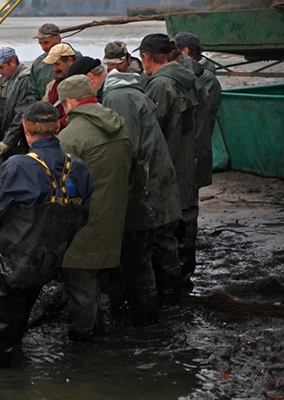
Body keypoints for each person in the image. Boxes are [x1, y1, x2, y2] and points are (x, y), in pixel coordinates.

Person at [0, 101, 93, 367]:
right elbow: (81, 217)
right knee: (21, 316)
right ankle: (18, 366)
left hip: (8, 265)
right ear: (58, 126)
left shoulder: (18, 166)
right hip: (46, 262)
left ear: (26, 129)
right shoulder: (78, 167)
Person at [102, 68, 183, 321]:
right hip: (158, 185)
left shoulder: (118, 98)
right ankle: (171, 300)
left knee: (139, 257)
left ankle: (147, 316)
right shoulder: (134, 93)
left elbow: (130, 146)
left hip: (144, 188)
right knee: (161, 245)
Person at [55, 75, 131, 341]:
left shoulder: (70, 137)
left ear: (71, 102)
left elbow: (57, 187)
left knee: (81, 289)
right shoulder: (118, 124)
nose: (62, 109)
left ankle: (83, 352)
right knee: (99, 286)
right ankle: (107, 334)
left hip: (84, 227)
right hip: (114, 221)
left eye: (63, 105)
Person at [139, 33, 200, 296]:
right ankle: (182, 284)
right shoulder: (187, 77)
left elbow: (151, 132)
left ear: (146, 57)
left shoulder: (159, 85)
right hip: (186, 159)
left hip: (168, 166)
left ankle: (170, 291)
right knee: (183, 228)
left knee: (164, 235)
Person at [175, 32, 222, 189]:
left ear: (186, 52)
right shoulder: (199, 74)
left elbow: (199, 116)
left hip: (194, 146)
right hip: (191, 145)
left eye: (175, 51)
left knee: (188, 191)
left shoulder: (205, 78)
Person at [0, 47, 33, 159]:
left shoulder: (25, 80)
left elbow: (21, 115)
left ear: (13, 62)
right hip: (5, 137)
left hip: (20, 141)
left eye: (2, 67)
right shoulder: (3, 80)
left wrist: (8, 141)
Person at [26, 23, 61, 104]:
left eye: (46, 42)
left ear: (58, 39)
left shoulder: (74, 57)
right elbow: (32, 93)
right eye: (40, 43)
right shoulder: (38, 64)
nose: (43, 47)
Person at [41, 42, 78, 119]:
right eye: (53, 65)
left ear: (70, 60)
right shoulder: (52, 85)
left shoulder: (81, 84)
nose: (54, 69)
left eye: (58, 64)